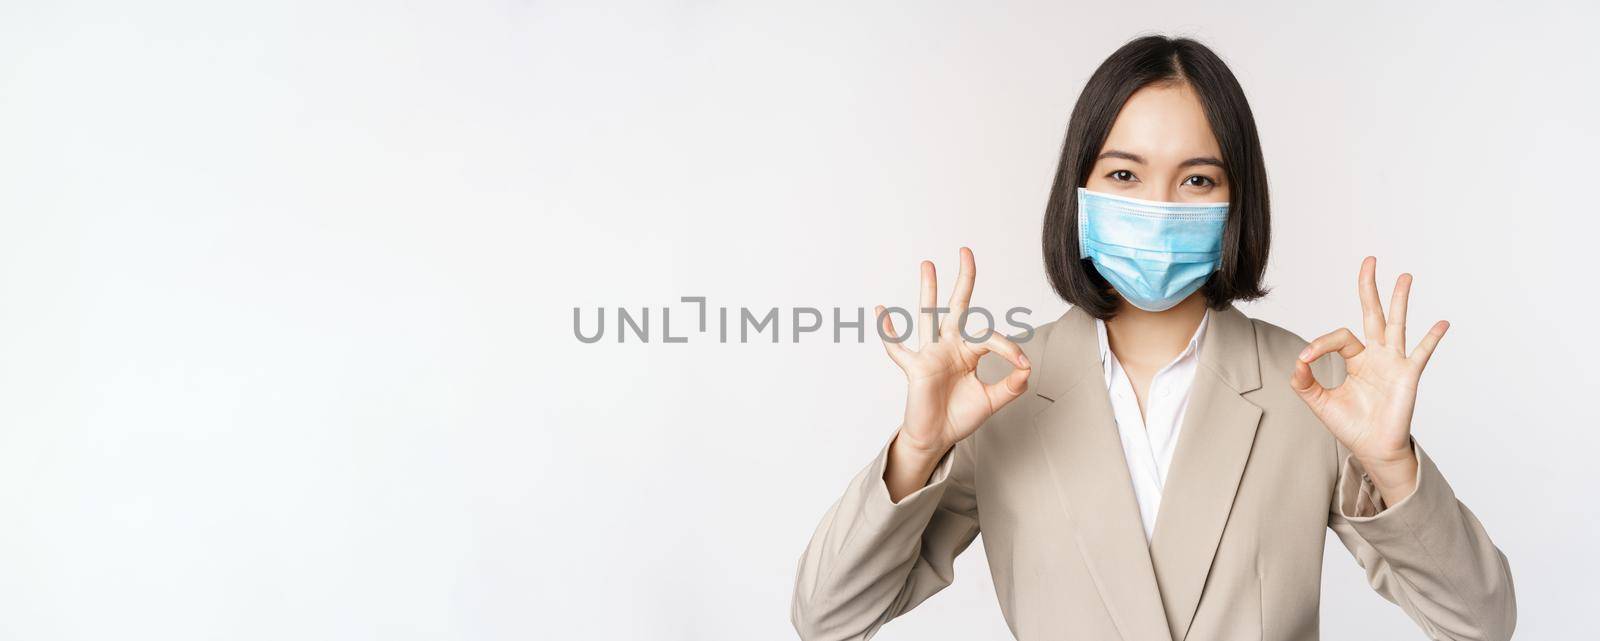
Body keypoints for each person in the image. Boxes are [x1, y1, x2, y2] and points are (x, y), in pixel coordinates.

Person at [790, 36, 1515, 641]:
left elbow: (1482, 622)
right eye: (1125, 173)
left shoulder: (1312, 387)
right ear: (1080, 188)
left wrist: (1391, 465)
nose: (1159, 206)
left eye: (1197, 180)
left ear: (1237, 202)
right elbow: (827, 615)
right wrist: (917, 451)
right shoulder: (1000, 391)